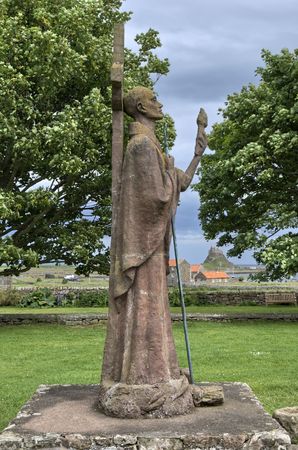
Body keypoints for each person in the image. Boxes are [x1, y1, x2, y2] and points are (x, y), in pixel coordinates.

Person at [99, 86, 207, 418]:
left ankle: (158, 373)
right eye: (155, 99)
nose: (160, 104)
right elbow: (156, 199)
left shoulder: (151, 148)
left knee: (155, 313)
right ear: (143, 107)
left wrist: (197, 152)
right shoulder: (141, 147)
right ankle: (142, 377)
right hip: (143, 252)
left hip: (151, 252)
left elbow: (178, 184)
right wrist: (169, 177)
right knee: (146, 312)